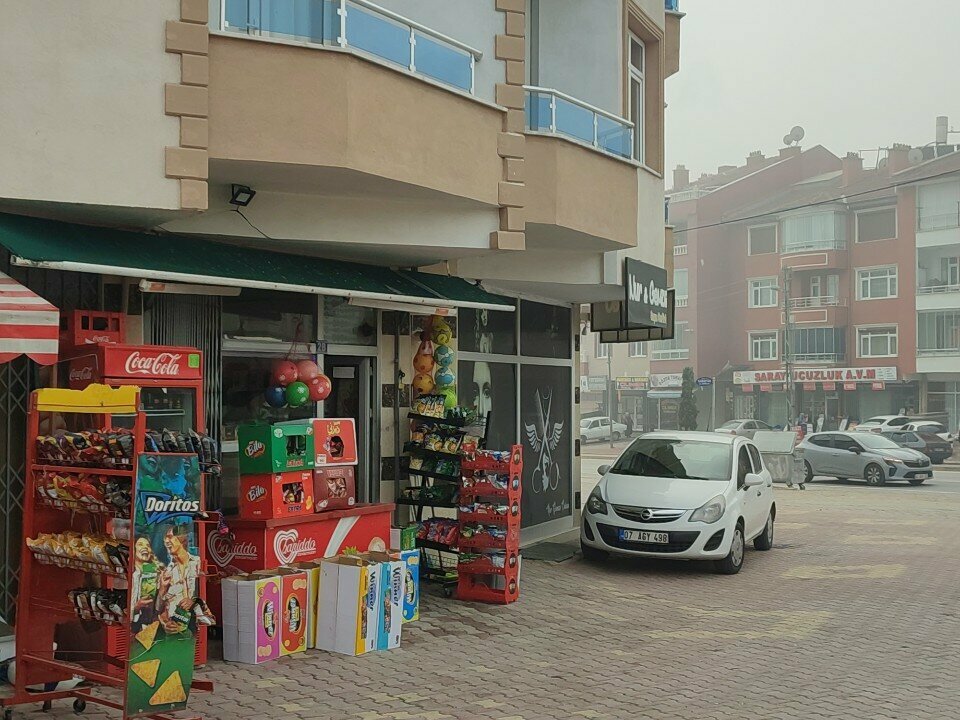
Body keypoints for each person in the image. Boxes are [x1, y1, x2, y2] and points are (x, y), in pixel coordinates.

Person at [157, 524, 208, 633]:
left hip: (195, 624)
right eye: (164, 538)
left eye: (169, 537)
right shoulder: (166, 572)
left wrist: (193, 601)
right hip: (175, 627)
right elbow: (159, 609)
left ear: (182, 538)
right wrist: (165, 623)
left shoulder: (198, 563)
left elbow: (206, 591)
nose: (166, 541)